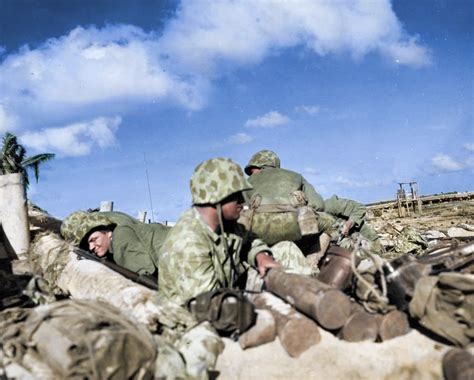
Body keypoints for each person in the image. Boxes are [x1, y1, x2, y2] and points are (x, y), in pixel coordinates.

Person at [158, 157, 312, 306]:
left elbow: (250, 240)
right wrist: (268, 308)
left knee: (286, 248)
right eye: (236, 196)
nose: (242, 202)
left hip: (228, 294)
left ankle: (310, 302)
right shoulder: (188, 242)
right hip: (196, 320)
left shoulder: (227, 224)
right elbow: (213, 309)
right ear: (217, 198)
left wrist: (260, 255)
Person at [242, 149, 335, 256]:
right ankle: (312, 262)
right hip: (293, 225)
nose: (251, 174)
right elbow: (319, 205)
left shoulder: (245, 182)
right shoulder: (296, 176)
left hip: (256, 229)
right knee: (331, 224)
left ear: (260, 166)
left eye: (252, 171)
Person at [61, 211, 170, 276]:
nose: (91, 247)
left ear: (108, 233)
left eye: (94, 240)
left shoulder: (119, 235)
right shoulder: (114, 225)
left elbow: (144, 275)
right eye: (87, 245)